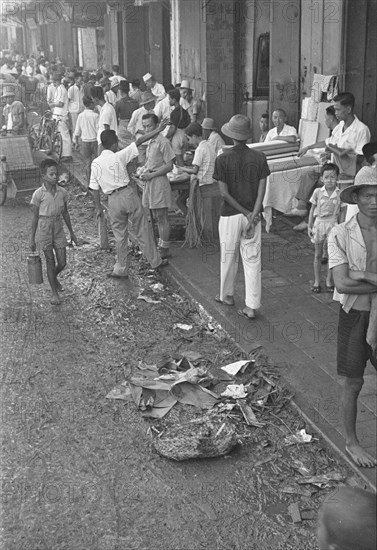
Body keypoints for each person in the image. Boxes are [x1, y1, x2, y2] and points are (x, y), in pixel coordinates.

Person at [328, 164, 377, 468]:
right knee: (353, 382)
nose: (374, 201)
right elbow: (341, 282)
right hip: (356, 315)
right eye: (369, 195)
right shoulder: (341, 233)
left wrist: (362, 274)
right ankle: (351, 441)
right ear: (357, 196)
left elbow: (351, 277)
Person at [89, 128, 168, 277]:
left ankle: (121, 269)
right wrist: (158, 129)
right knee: (142, 229)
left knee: (120, 237)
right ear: (114, 145)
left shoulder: (95, 163)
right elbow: (139, 141)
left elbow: (94, 188)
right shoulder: (119, 156)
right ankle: (155, 261)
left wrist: (99, 208)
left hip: (112, 200)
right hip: (128, 194)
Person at [213, 115, 270, 319]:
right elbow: (262, 192)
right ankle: (251, 307)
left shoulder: (222, 159)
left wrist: (245, 213)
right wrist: (252, 215)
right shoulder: (259, 157)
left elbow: (224, 193)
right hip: (252, 216)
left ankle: (226, 295)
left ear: (230, 134)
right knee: (252, 259)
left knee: (228, 257)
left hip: (230, 215)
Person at [294, 93, 371, 230]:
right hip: (332, 168)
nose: (335, 113)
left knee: (323, 189)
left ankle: (315, 221)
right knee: (309, 174)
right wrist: (310, 147)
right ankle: (304, 211)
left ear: (348, 109)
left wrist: (341, 152)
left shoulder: (361, 130)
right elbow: (328, 143)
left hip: (347, 174)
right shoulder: (339, 126)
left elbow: (361, 158)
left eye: (338, 109)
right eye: (334, 109)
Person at [30, 158, 78, 305]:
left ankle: (54, 277)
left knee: (62, 262)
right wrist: (32, 239)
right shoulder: (38, 194)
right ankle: (54, 293)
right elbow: (35, 217)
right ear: (44, 176)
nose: (55, 177)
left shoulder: (62, 192)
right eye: (51, 174)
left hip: (58, 226)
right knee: (50, 261)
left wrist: (72, 233)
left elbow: (66, 213)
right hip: (44, 227)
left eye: (56, 173)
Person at [139, 113, 175, 260]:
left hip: (159, 182)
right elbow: (151, 162)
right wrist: (143, 170)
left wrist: (152, 174)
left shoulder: (163, 142)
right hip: (149, 182)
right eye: (145, 126)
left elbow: (170, 165)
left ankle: (164, 248)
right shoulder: (150, 142)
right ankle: (159, 245)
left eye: (150, 126)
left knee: (162, 217)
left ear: (157, 126)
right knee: (154, 215)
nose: (147, 129)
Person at [308, 163, 346, 293]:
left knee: (332, 255)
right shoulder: (318, 192)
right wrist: (309, 226)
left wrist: (341, 227)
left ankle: (329, 280)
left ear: (337, 178)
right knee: (318, 254)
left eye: (333, 177)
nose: (330, 180)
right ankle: (317, 281)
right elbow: (312, 209)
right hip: (319, 224)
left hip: (333, 225)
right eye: (327, 177)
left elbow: (341, 212)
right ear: (322, 178)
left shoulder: (340, 193)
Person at [179, 121, 217, 220]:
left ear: (194, 136)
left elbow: (195, 170)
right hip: (211, 182)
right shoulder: (209, 145)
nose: (188, 141)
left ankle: (191, 220)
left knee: (179, 201)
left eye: (189, 138)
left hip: (202, 185)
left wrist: (181, 168)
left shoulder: (200, 148)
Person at [72, 97, 99, 189]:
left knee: (87, 163)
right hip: (95, 141)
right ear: (91, 104)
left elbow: (77, 131)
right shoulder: (96, 116)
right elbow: (98, 130)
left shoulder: (80, 116)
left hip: (84, 142)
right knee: (97, 162)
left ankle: (89, 183)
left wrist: (75, 142)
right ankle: (97, 182)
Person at [49, 75, 72, 161]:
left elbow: (61, 104)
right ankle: (63, 154)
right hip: (58, 114)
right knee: (61, 135)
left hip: (61, 115)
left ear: (57, 81)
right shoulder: (59, 89)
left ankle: (67, 155)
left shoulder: (61, 89)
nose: (53, 84)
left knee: (64, 135)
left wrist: (52, 104)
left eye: (54, 82)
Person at [165, 88, 190, 167]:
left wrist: (166, 137)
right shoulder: (184, 111)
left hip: (177, 137)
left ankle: (183, 175)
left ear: (174, 100)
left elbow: (173, 129)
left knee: (179, 161)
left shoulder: (174, 113)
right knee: (183, 158)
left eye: (170, 99)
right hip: (185, 136)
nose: (169, 101)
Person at [90, 85, 117, 155]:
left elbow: (106, 130)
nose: (92, 101)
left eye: (92, 98)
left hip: (105, 143)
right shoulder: (106, 107)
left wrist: (105, 146)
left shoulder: (106, 110)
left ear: (96, 99)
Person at [114, 80, 138, 148]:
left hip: (122, 128)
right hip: (133, 127)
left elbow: (115, 119)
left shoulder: (118, 103)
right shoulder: (135, 102)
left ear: (120, 90)